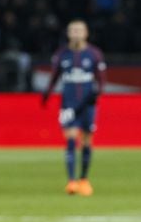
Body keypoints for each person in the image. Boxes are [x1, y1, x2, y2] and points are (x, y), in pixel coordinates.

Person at [41, 20, 106, 196]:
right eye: (73, 30)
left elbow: (100, 79)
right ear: (68, 33)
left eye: (79, 30)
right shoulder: (62, 54)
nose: (76, 33)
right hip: (68, 103)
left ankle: (84, 179)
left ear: (86, 33)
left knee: (86, 141)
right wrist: (47, 94)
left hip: (88, 104)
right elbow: (54, 77)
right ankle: (71, 181)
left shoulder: (94, 54)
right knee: (70, 138)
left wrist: (98, 94)